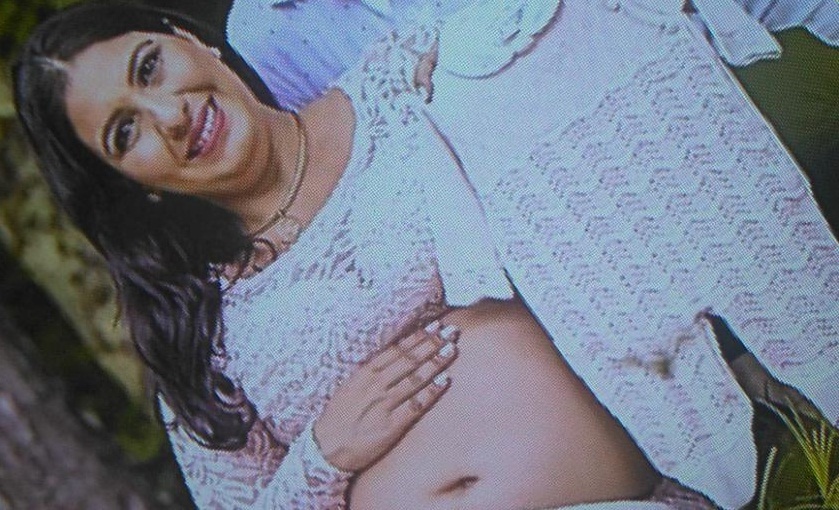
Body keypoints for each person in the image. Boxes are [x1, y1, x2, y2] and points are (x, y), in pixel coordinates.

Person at [12, 1, 839, 509]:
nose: (168, 114)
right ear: (132, 186)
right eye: (125, 132)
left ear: (193, 44)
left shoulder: (410, 84)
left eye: (150, 67)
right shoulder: (197, 332)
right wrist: (323, 455)